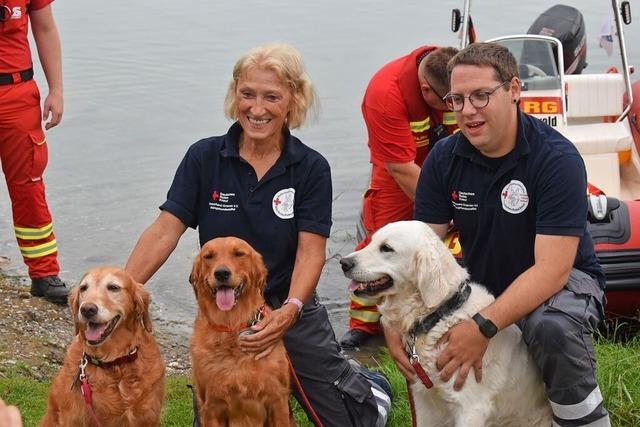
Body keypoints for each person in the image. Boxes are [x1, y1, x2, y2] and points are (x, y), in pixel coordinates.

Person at [125, 43, 391, 427]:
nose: (257, 108)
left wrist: (290, 311)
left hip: (288, 304)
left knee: (348, 420)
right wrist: (122, 294)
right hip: (223, 310)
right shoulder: (204, 157)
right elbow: (165, 229)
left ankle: (372, 384)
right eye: (247, 94)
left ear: (294, 99)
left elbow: (311, 252)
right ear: (235, 94)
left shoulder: (311, 168)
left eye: (272, 97)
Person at [386, 42, 609, 426]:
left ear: (514, 90)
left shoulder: (556, 159)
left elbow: (552, 269)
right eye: (456, 99)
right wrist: (392, 323)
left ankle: (584, 421)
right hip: (484, 283)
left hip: (563, 282)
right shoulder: (443, 158)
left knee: (551, 327)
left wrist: (482, 324)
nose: (467, 110)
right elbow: (420, 248)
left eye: (481, 96)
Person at [340, 46, 459, 350]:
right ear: (424, 90)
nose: (456, 107)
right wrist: (443, 211)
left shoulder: (455, 72)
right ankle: (366, 325)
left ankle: (444, 305)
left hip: (446, 162)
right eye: (450, 102)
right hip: (398, 167)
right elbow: (400, 167)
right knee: (383, 238)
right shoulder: (385, 93)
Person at [0, 0, 67, 304]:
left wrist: (56, 90)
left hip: (17, 93)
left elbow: (45, 28)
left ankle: (43, 275)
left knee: (29, 188)